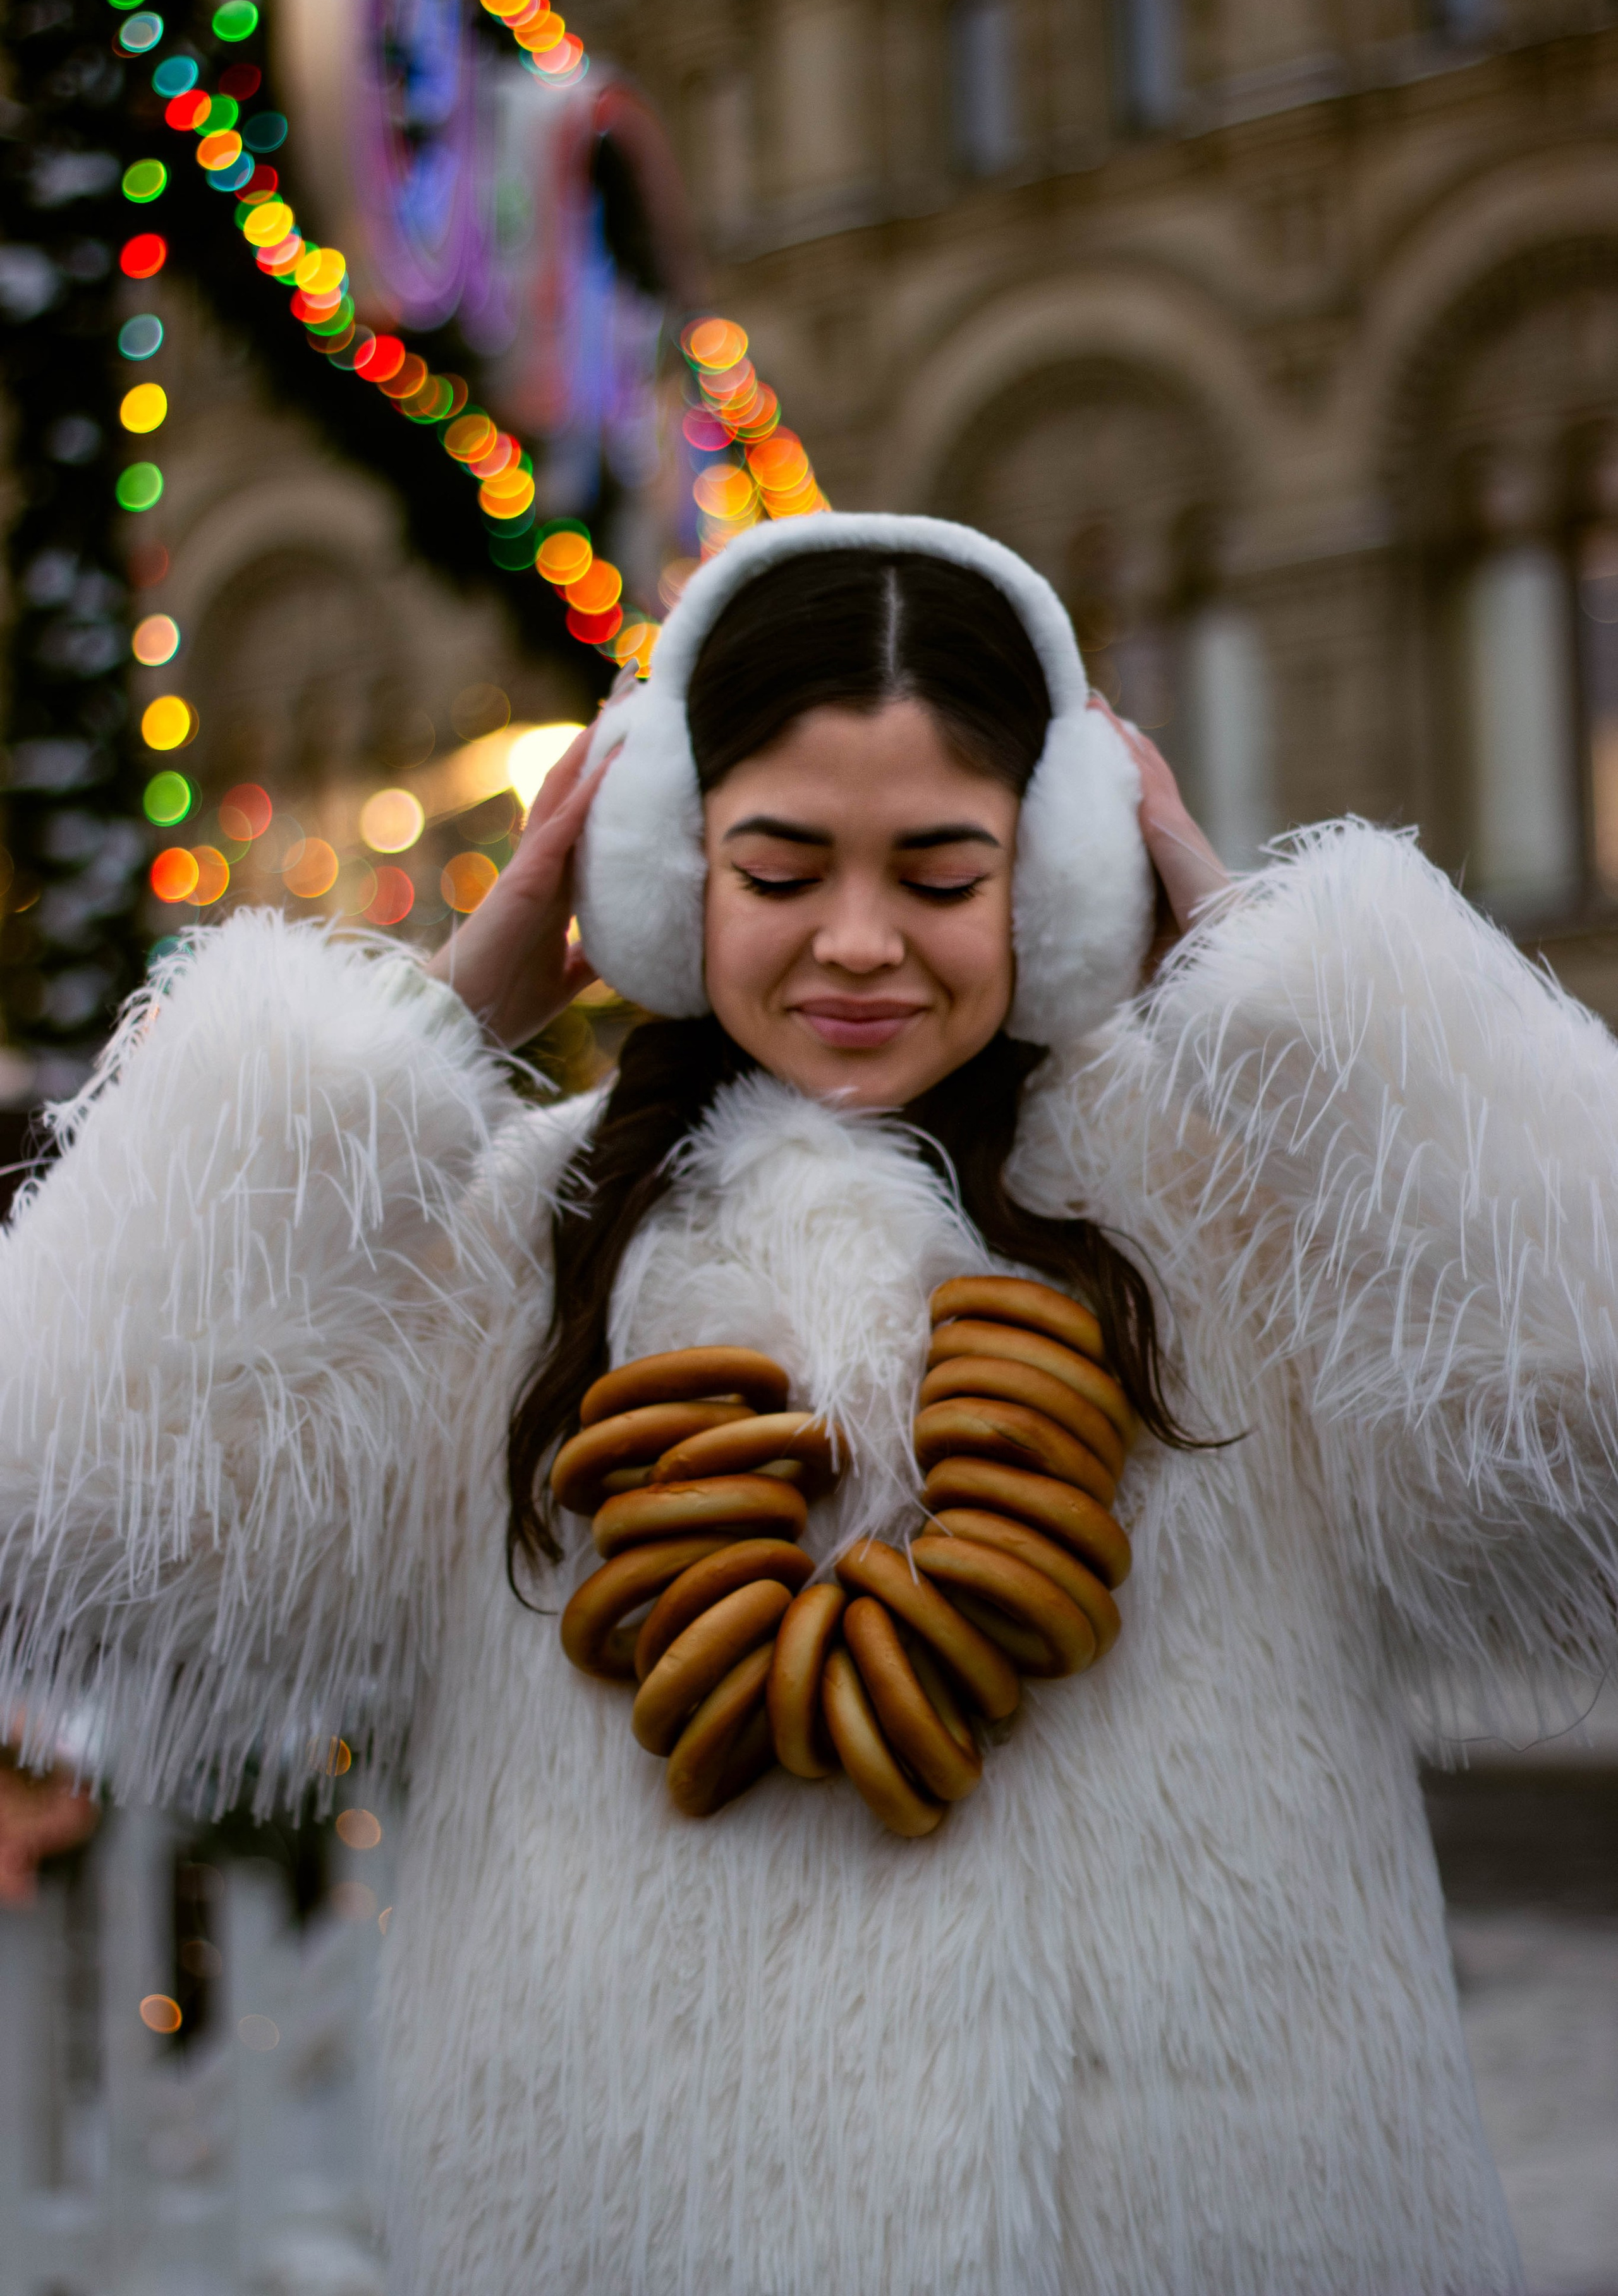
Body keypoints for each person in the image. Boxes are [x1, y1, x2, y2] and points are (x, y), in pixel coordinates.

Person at [0, 510, 1606, 2295]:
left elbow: (1585, 1427)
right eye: (779, 872)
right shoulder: (503, 1248)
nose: (858, 944)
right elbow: (68, 1508)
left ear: (1063, 877)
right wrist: (442, 1015)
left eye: (941, 875)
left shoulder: (1243, 1200)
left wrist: (1282, 985)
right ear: (658, 875)